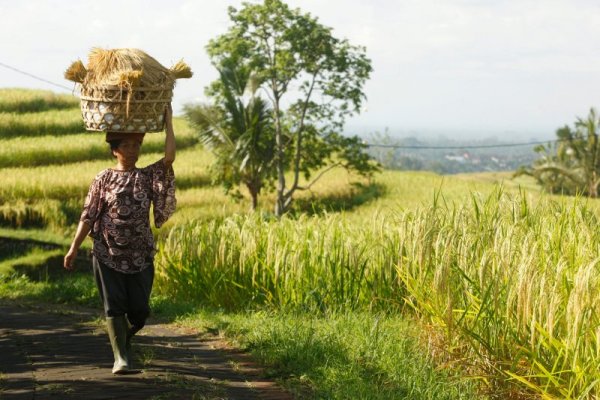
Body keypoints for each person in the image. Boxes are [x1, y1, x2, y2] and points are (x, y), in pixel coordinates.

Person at [64, 104, 176, 374]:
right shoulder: (103, 178)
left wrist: (169, 120)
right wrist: (73, 247)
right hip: (107, 252)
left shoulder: (147, 176)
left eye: (137, 145)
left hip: (140, 254)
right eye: (127, 145)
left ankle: (123, 337)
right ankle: (121, 358)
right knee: (114, 305)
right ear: (115, 149)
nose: (133, 150)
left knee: (140, 311)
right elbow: (88, 214)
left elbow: (169, 157)